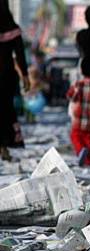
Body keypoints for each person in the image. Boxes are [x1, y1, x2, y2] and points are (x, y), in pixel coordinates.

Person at [0, 0, 28, 161]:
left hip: (6, 77)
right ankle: (4, 146)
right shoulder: (13, 29)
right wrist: (25, 75)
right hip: (6, 77)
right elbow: (20, 55)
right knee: (5, 110)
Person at [66, 58, 90, 167]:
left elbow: (69, 96)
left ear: (82, 71)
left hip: (78, 121)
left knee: (75, 137)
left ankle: (80, 151)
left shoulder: (77, 85)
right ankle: (88, 161)